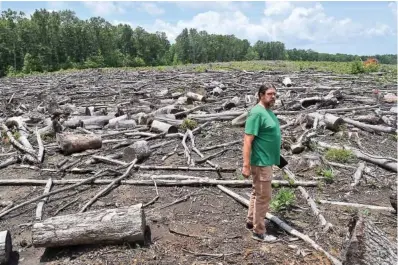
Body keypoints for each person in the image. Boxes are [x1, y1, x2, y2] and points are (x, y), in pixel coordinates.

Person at [242, 83, 281, 242]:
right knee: (264, 196)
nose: (273, 97)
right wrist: (246, 165)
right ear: (261, 95)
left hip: (268, 160)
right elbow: (247, 140)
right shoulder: (256, 113)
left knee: (256, 192)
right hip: (260, 162)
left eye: (274, 94)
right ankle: (259, 231)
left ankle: (252, 221)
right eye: (270, 94)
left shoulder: (268, 112)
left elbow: (269, 138)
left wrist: (280, 160)